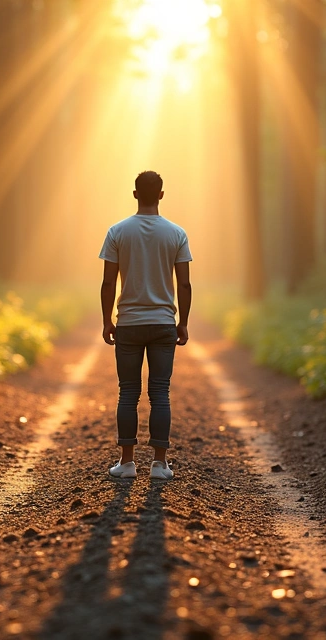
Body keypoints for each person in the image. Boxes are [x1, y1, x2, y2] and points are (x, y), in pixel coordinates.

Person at [99, 171, 192, 481]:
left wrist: (106, 320)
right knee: (160, 393)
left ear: (135, 194)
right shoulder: (177, 234)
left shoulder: (117, 232)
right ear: (161, 195)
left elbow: (108, 281)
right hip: (164, 323)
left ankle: (126, 463)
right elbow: (185, 284)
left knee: (128, 393)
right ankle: (160, 465)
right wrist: (183, 323)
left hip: (129, 324)